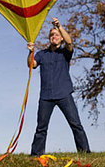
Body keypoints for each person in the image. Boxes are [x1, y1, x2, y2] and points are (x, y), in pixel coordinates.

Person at [27, 17, 90, 156]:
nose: (53, 37)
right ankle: (36, 155)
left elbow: (70, 42)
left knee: (76, 124)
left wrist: (59, 27)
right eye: (51, 35)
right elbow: (31, 64)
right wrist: (31, 52)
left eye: (56, 35)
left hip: (64, 94)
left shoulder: (65, 52)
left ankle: (85, 153)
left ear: (61, 38)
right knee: (41, 128)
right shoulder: (41, 54)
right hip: (46, 96)